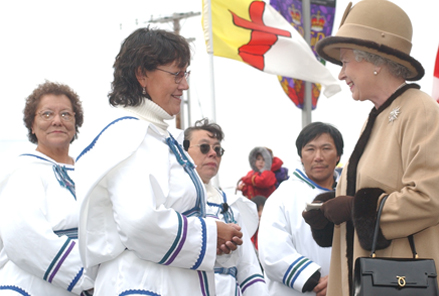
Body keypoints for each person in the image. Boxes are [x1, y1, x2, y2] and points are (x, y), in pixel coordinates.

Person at [303, 1, 439, 295]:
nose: (341, 74)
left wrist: (355, 207)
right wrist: (330, 208)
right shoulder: (379, 117)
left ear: (375, 61)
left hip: (405, 284)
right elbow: (379, 190)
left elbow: (427, 199)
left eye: (345, 62)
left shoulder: (420, 111)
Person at [75, 27, 243, 295]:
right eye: (177, 74)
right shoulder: (130, 134)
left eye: (185, 74)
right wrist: (210, 233)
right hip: (143, 283)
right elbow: (139, 222)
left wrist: (217, 237)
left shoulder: (156, 135)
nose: (185, 85)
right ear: (142, 74)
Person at [0, 81, 94, 295]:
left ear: (75, 123)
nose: (57, 121)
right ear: (32, 125)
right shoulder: (22, 170)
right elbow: (24, 237)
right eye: (47, 114)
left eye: (66, 115)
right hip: (32, 286)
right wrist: (89, 277)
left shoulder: (88, 172)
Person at [184, 118, 268, 296]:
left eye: (218, 149)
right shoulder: (172, 201)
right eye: (204, 147)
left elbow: (248, 267)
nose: (213, 153)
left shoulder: (231, 206)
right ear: (183, 151)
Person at [258, 122, 344, 296]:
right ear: (301, 155)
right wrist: (315, 280)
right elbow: (272, 254)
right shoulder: (283, 196)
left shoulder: (349, 196)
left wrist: (341, 279)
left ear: (338, 156)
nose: (318, 157)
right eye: (310, 149)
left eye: (326, 148)